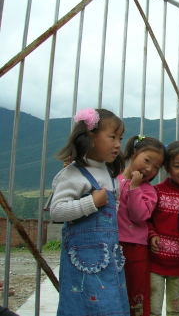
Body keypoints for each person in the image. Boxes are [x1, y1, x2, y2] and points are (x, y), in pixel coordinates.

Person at [49, 108, 129, 315]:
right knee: (85, 307)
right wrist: (91, 203)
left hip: (109, 260)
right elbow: (56, 211)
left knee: (112, 306)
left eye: (120, 138)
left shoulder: (110, 175)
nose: (118, 144)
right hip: (83, 261)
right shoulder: (73, 174)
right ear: (90, 136)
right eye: (112, 137)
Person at [149, 141, 179, 316]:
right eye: (177, 166)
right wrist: (152, 235)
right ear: (167, 167)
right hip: (155, 262)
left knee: (176, 310)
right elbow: (147, 220)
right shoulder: (156, 192)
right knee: (152, 309)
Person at [118, 135, 165, 315]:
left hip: (135, 249)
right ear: (133, 154)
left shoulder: (148, 191)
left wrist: (135, 188)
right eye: (147, 161)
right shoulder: (112, 179)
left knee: (136, 292)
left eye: (156, 167)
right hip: (110, 244)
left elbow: (138, 216)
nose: (149, 169)